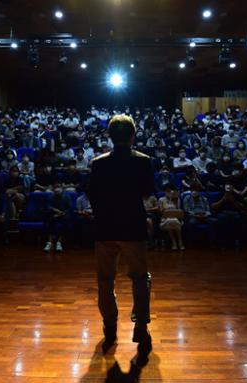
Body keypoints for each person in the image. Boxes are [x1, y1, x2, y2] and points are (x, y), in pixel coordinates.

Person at [89, 114, 154, 358]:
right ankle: (140, 326)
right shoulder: (143, 161)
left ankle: (110, 326)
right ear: (133, 135)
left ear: (110, 135)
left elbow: (92, 195)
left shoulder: (98, 162)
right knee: (139, 278)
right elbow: (147, 193)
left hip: (105, 227)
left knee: (106, 279)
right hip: (133, 226)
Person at [43, 185, 72, 252]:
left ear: (62, 191)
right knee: (50, 221)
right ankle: (49, 242)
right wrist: (55, 210)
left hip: (63, 214)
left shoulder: (67, 197)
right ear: (54, 192)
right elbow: (48, 206)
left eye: (58, 192)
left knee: (65, 223)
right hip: (53, 214)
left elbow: (69, 208)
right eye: (56, 192)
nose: (57, 193)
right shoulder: (50, 197)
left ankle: (59, 242)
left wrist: (62, 213)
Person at [158, 185, 185, 250]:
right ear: (164, 191)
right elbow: (161, 211)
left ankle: (177, 242)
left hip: (176, 217)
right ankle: (177, 242)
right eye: (167, 191)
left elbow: (179, 210)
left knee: (173, 220)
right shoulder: (161, 199)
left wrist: (174, 200)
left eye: (169, 190)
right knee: (170, 221)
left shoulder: (177, 199)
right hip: (165, 218)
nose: (168, 192)